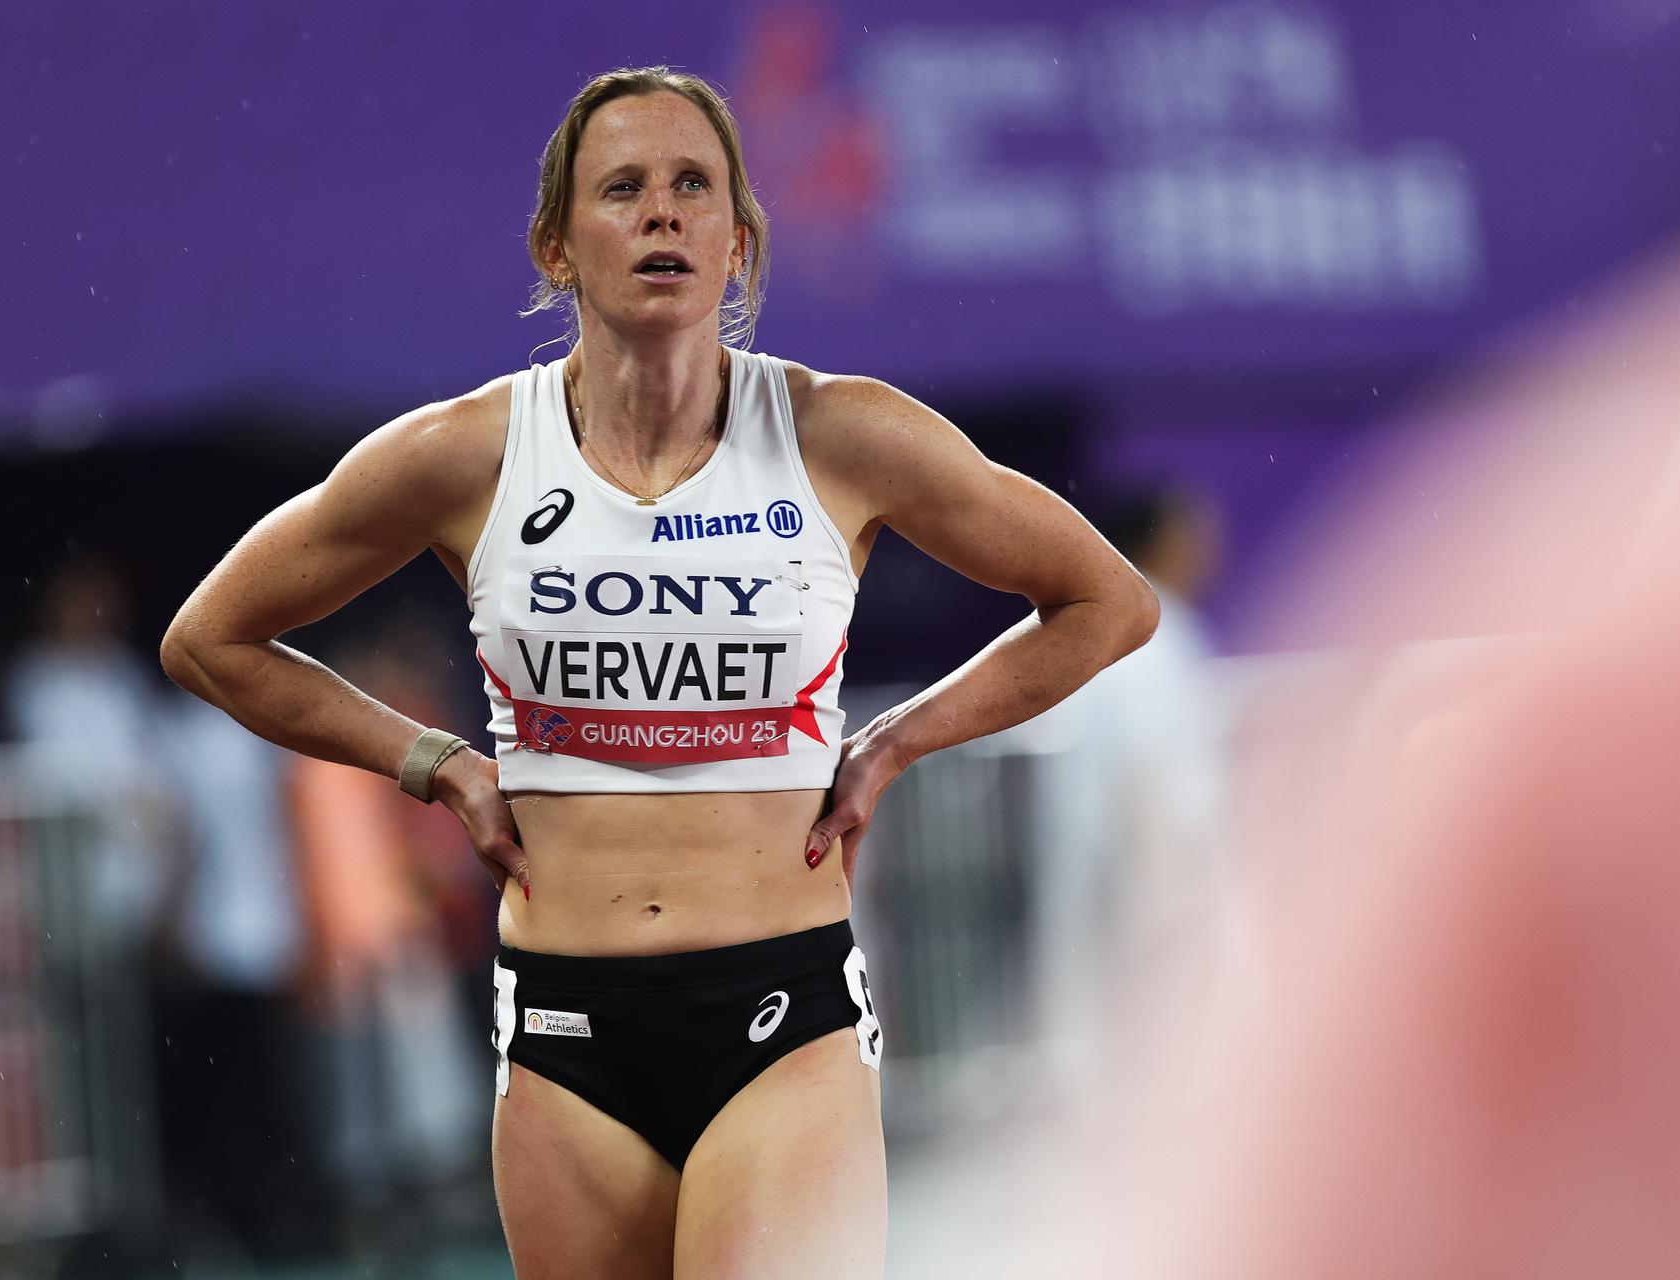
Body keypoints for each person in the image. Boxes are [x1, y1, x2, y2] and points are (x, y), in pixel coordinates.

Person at [160, 66, 1158, 1279]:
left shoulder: (842, 434)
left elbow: (1108, 601)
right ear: (557, 244)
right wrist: (435, 762)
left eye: (694, 186)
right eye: (623, 188)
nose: (663, 213)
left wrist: (898, 740)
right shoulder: (467, 454)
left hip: (782, 1020)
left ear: (739, 242)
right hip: (564, 1031)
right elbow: (210, 638)